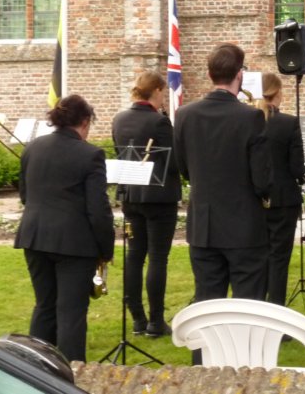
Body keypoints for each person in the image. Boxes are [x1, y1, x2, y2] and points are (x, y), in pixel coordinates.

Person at [14, 95, 114, 361]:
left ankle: (36, 370)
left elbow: (25, 195)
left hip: (34, 237)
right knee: (71, 313)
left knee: (44, 306)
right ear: (84, 122)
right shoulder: (91, 154)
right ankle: (71, 377)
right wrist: (106, 249)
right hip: (74, 244)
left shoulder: (33, 147)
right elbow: (98, 210)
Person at [174, 43, 272, 302]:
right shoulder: (251, 117)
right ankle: (244, 345)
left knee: (207, 301)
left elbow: (183, 168)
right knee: (248, 301)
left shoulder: (184, 114)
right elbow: (262, 179)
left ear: (209, 75)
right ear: (239, 74)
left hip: (204, 225)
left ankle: (204, 346)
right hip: (244, 225)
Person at [111, 71, 182, 338]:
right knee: (158, 258)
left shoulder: (119, 119)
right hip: (158, 198)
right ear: (155, 91)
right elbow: (174, 162)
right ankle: (155, 321)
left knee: (135, 256)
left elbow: (120, 153)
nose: (164, 97)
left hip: (130, 195)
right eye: (163, 92)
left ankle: (138, 320)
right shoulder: (159, 122)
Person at [255, 73, 305, 307]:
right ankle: (276, 312)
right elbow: (297, 167)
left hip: (254, 197)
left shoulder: (248, 120)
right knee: (279, 259)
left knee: (257, 256)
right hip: (284, 198)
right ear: (276, 93)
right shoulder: (288, 122)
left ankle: (256, 309)